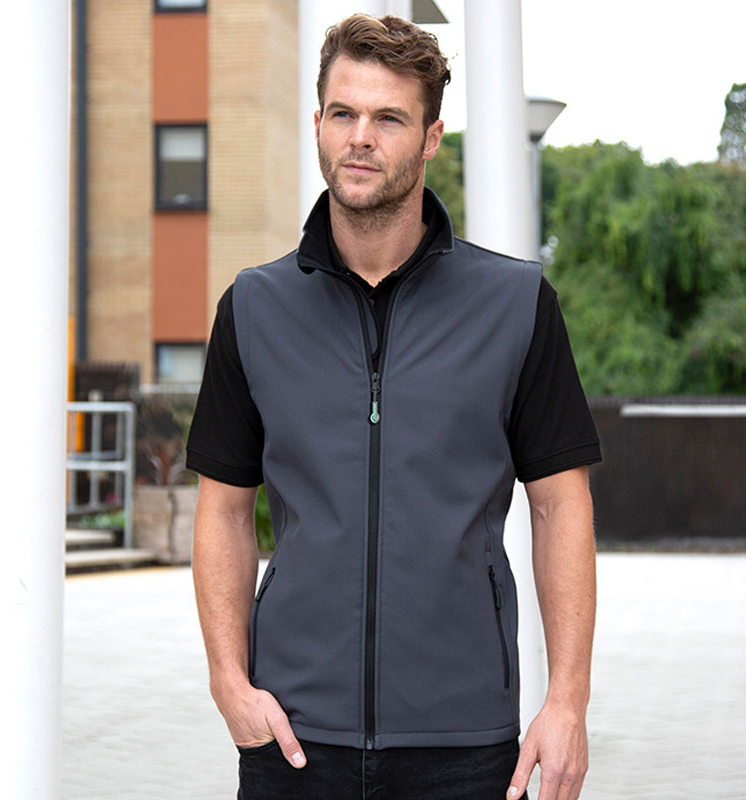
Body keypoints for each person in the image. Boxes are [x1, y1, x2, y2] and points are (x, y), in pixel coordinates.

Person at [187, 13, 600, 800]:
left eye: (389, 118)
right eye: (343, 113)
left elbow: (560, 507)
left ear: (432, 137)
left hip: (464, 746)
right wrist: (228, 682)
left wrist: (568, 701)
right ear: (318, 122)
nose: (360, 138)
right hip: (292, 741)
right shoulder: (254, 308)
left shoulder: (515, 305)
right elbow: (224, 511)